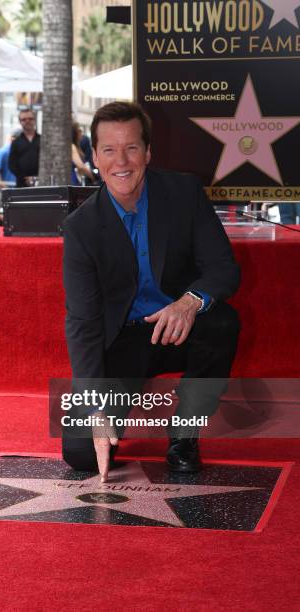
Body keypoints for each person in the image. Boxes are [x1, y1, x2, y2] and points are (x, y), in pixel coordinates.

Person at [62, 102, 240, 481]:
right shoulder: (81, 227)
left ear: (148, 152)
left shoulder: (183, 192)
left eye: (131, 148)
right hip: (125, 339)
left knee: (223, 322)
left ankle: (184, 435)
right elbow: (82, 321)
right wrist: (94, 407)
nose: (121, 161)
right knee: (80, 453)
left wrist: (190, 302)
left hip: (182, 323)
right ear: (94, 156)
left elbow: (223, 269)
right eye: (109, 149)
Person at [8, 108, 40, 187]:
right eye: (24, 119)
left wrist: (37, 178)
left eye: (30, 119)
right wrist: (23, 178)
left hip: (41, 183)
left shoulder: (42, 141)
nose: (27, 121)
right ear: (20, 122)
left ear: (35, 120)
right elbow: (11, 164)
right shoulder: (15, 143)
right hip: (21, 184)